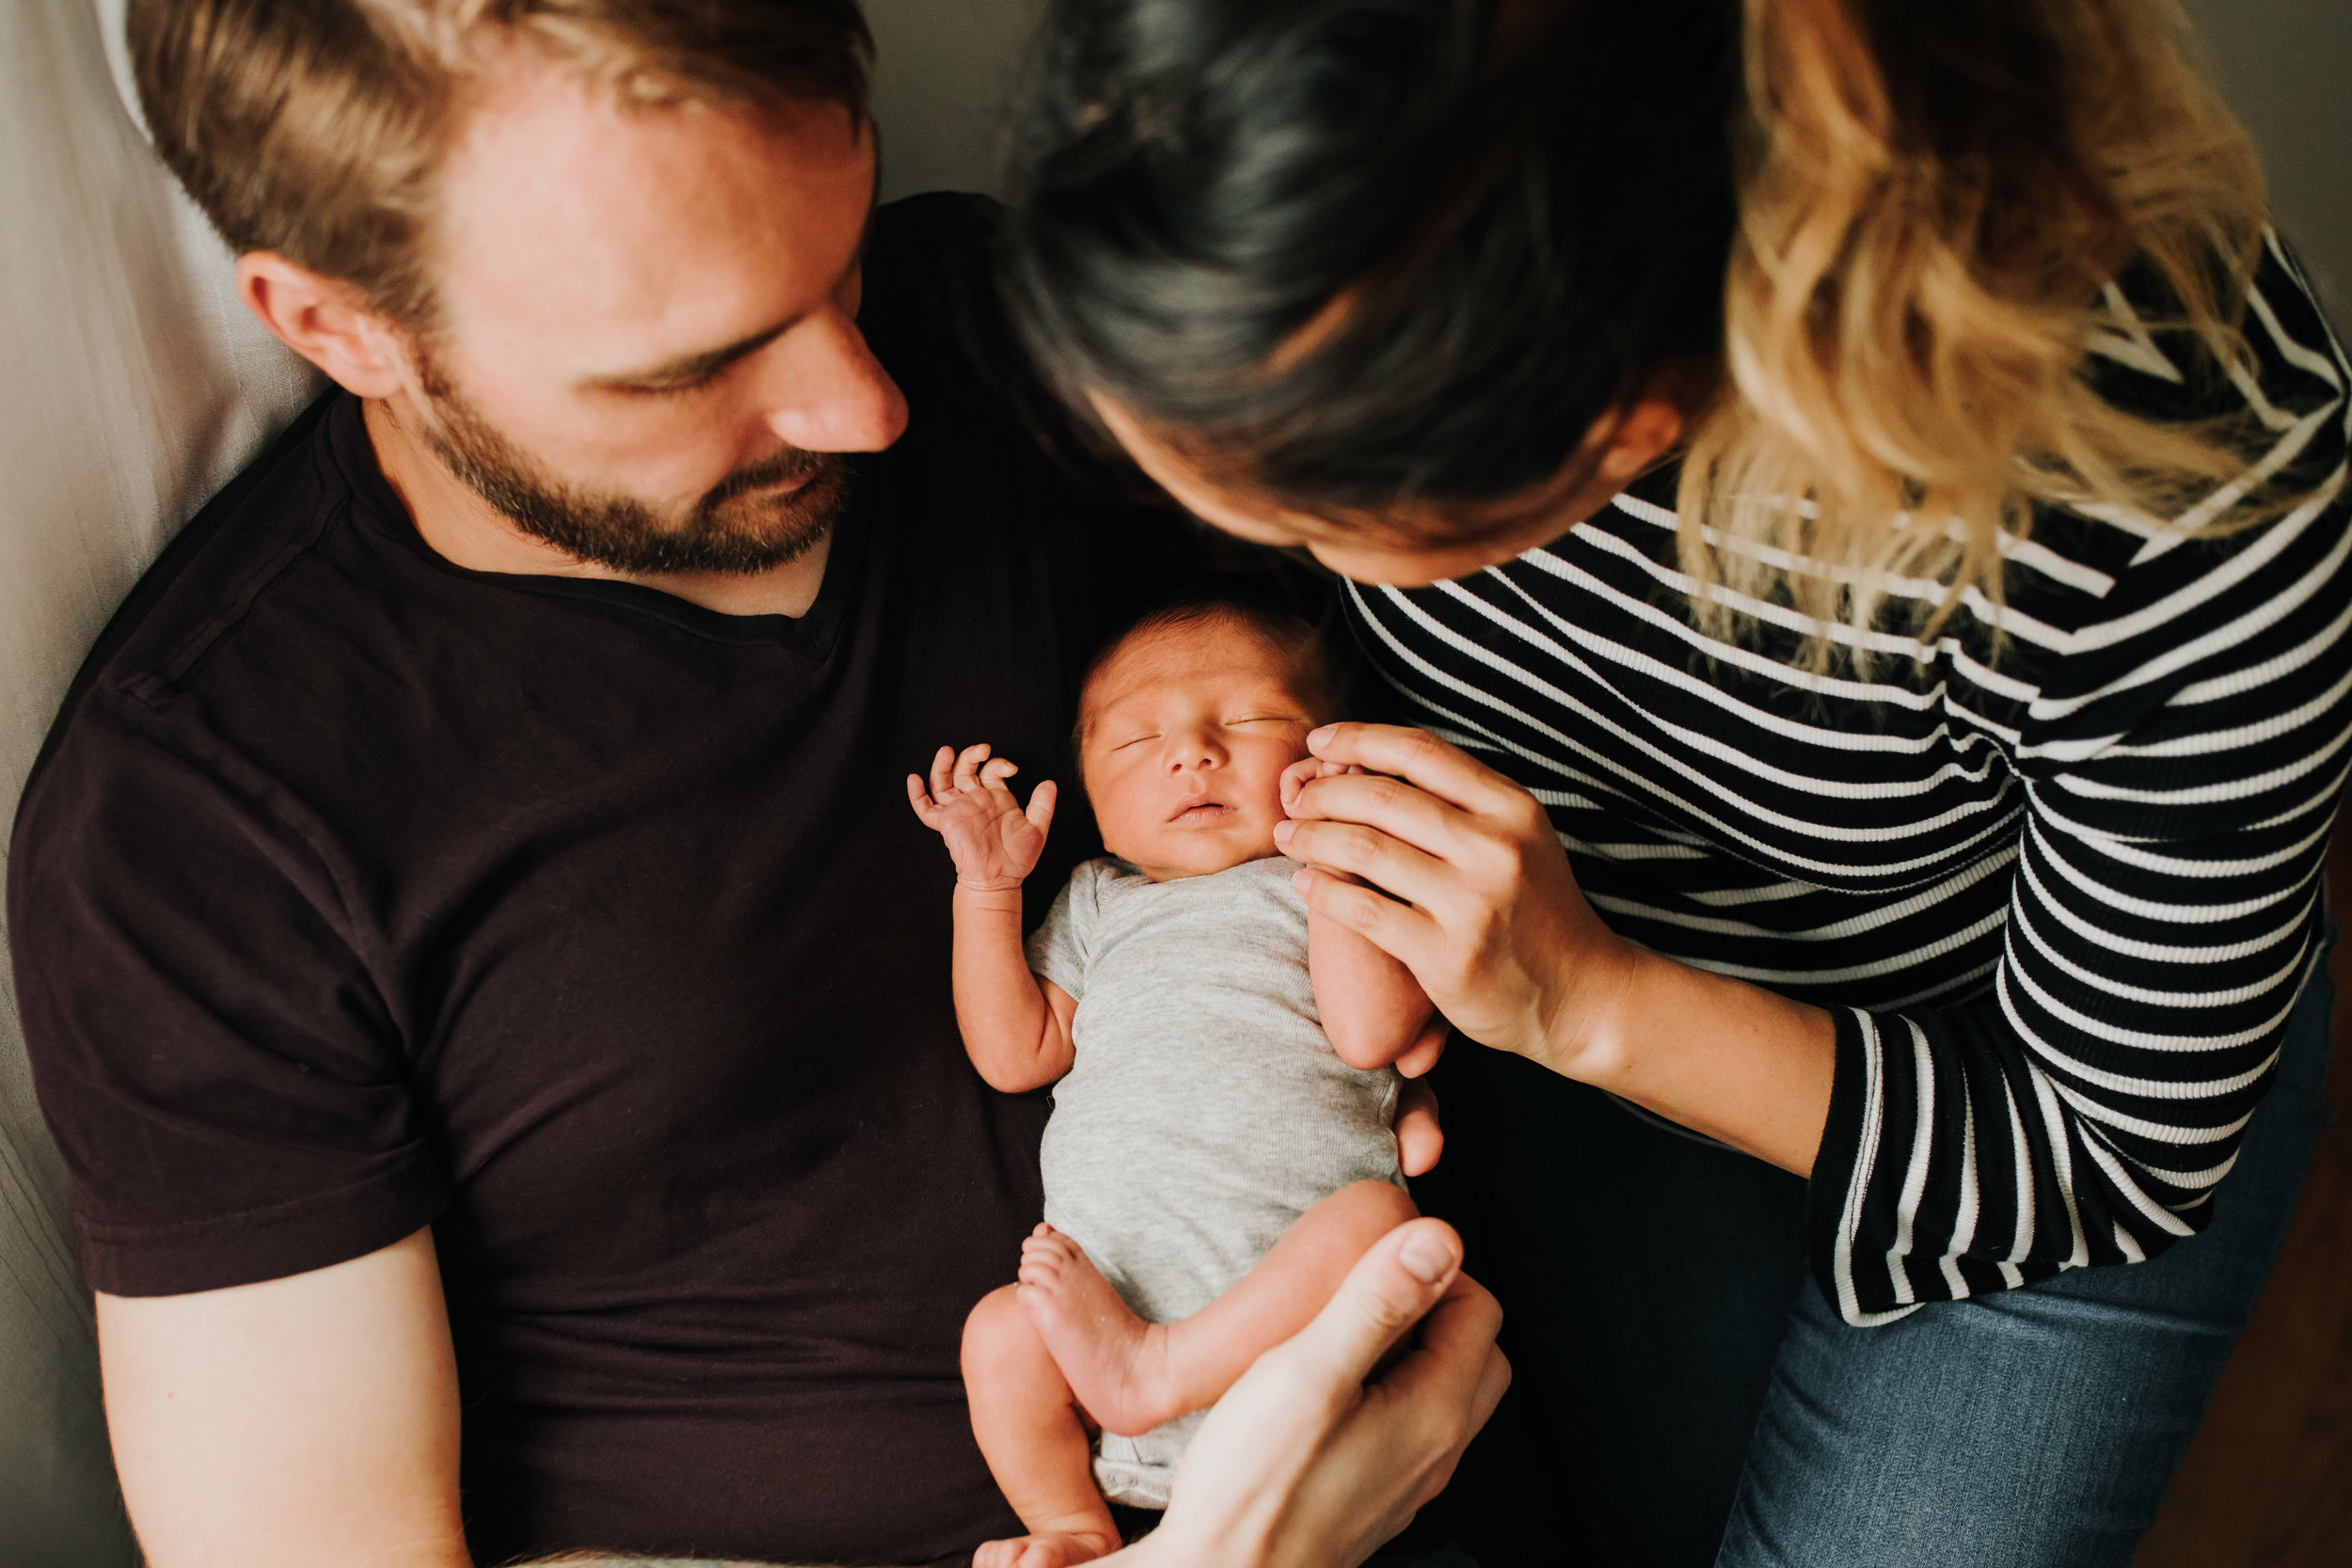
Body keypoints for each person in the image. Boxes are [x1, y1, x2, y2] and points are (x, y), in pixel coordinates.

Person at [8, 3, 1503, 1565]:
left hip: (1438, 1402)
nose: (865, 405)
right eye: (693, 365)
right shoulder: (202, 826)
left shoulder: (1000, 337)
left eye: (838, 260)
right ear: (340, 325)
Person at [997, 1, 2350, 1564]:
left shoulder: (2175, 481)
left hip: (2023, 1080)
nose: (1286, 582)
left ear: (1622, 441)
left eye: (1318, 523)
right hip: (1564, 999)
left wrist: (1583, 1000)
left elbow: (2105, 1145)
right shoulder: (1321, 149)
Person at [909, 601, 1443, 1567]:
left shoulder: (1324, 879)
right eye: (1140, 737)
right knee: (999, 1332)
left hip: (1303, 1322)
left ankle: (1161, 1373)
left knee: (1379, 1216)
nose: (1192, 751)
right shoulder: (1098, 902)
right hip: (1107, 1299)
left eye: (1243, 721)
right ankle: (1074, 1522)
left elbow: (1370, 1032)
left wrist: (1332, 846)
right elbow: (1015, 1051)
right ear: (1087, 790)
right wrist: (986, 890)